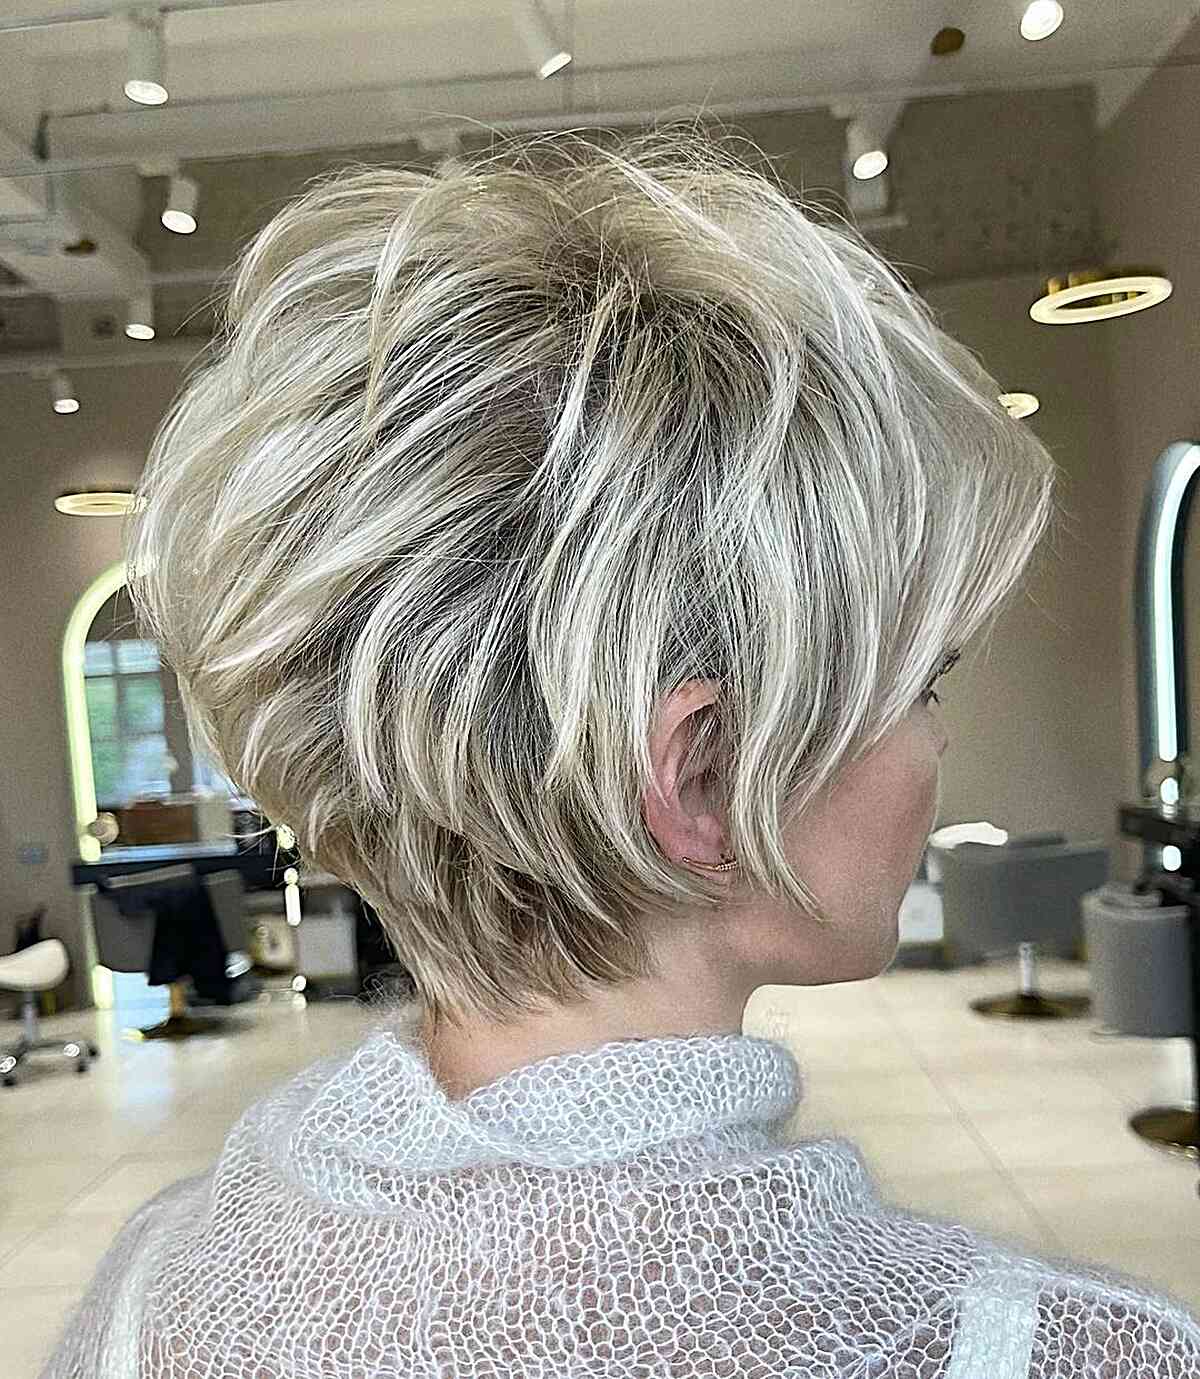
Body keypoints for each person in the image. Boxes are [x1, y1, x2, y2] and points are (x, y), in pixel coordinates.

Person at [44, 127, 1200, 1378]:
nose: (939, 735)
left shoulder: (146, 1298)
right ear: (702, 775)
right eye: (922, 682)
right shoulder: (1051, 1351)